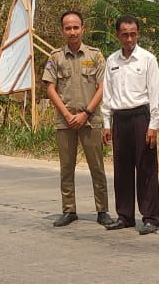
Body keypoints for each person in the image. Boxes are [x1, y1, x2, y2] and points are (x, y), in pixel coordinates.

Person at [42, 11, 114, 227]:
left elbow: (103, 88)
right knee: (66, 167)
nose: (72, 31)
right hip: (65, 122)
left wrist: (85, 113)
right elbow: (50, 88)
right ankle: (69, 209)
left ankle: (102, 210)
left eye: (76, 27)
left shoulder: (95, 56)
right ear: (62, 31)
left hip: (90, 120)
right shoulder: (55, 57)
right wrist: (67, 114)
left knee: (97, 167)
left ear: (83, 28)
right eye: (67, 28)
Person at [101, 15, 159, 235]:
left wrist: (153, 125)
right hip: (120, 118)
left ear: (138, 34)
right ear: (117, 35)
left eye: (133, 34)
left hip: (141, 118)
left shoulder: (147, 59)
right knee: (122, 169)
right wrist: (107, 123)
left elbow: (156, 94)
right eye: (124, 34)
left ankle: (151, 218)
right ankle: (125, 216)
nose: (129, 38)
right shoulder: (112, 61)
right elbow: (107, 94)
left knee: (146, 169)